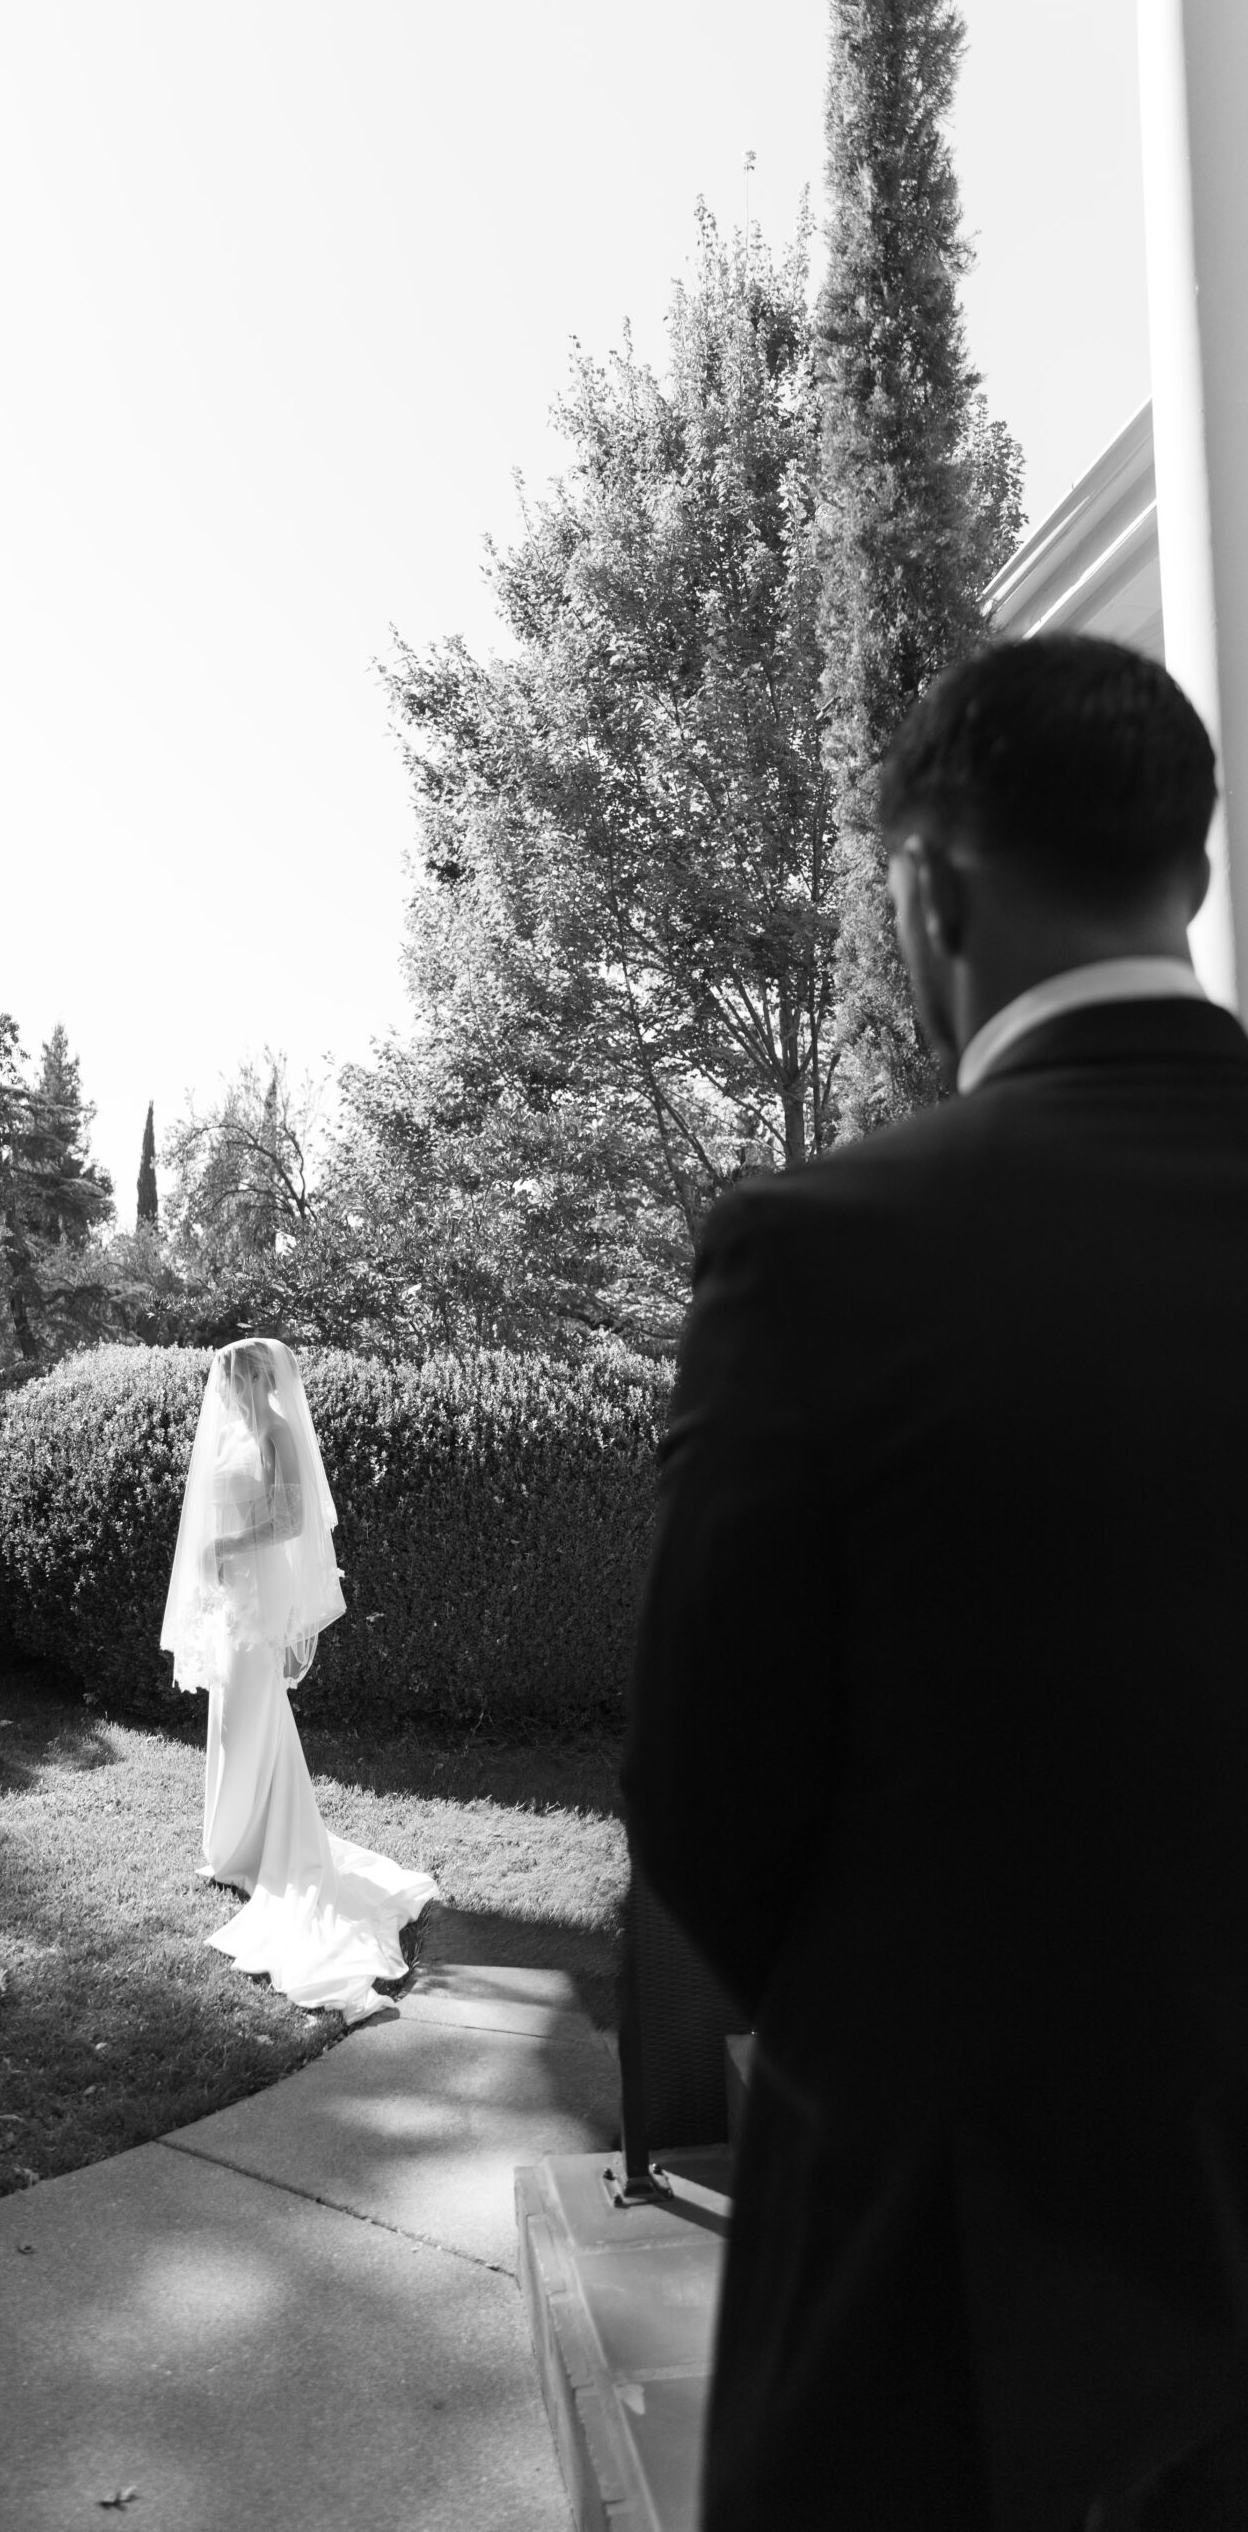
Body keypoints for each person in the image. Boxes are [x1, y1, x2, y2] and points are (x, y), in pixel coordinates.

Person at [621, 636, 1248, 2531]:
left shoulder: (824, 1257)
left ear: (927, 888)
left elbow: (706, 1805)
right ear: (1192, 877)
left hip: (956, 2310)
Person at [161, 1336, 435, 2024]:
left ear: (252, 1378)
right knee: (230, 1719)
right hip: (232, 1599)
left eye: (226, 1379)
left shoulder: (279, 1432)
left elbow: (288, 1519)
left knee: (253, 1716)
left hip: (257, 1595)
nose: (217, 1392)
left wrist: (223, 1547)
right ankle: (233, 1846)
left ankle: (267, 1846)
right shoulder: (235, 1433)